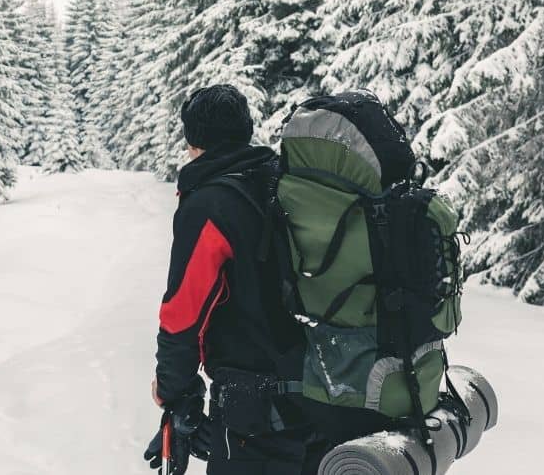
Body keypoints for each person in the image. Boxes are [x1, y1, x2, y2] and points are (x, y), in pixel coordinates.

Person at [143, 84, 390, 475]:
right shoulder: (286, 183)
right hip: (324, 396)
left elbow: (183, 315)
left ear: (192, 141)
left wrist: (173, 393)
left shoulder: (208, 204)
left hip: (256, 418)